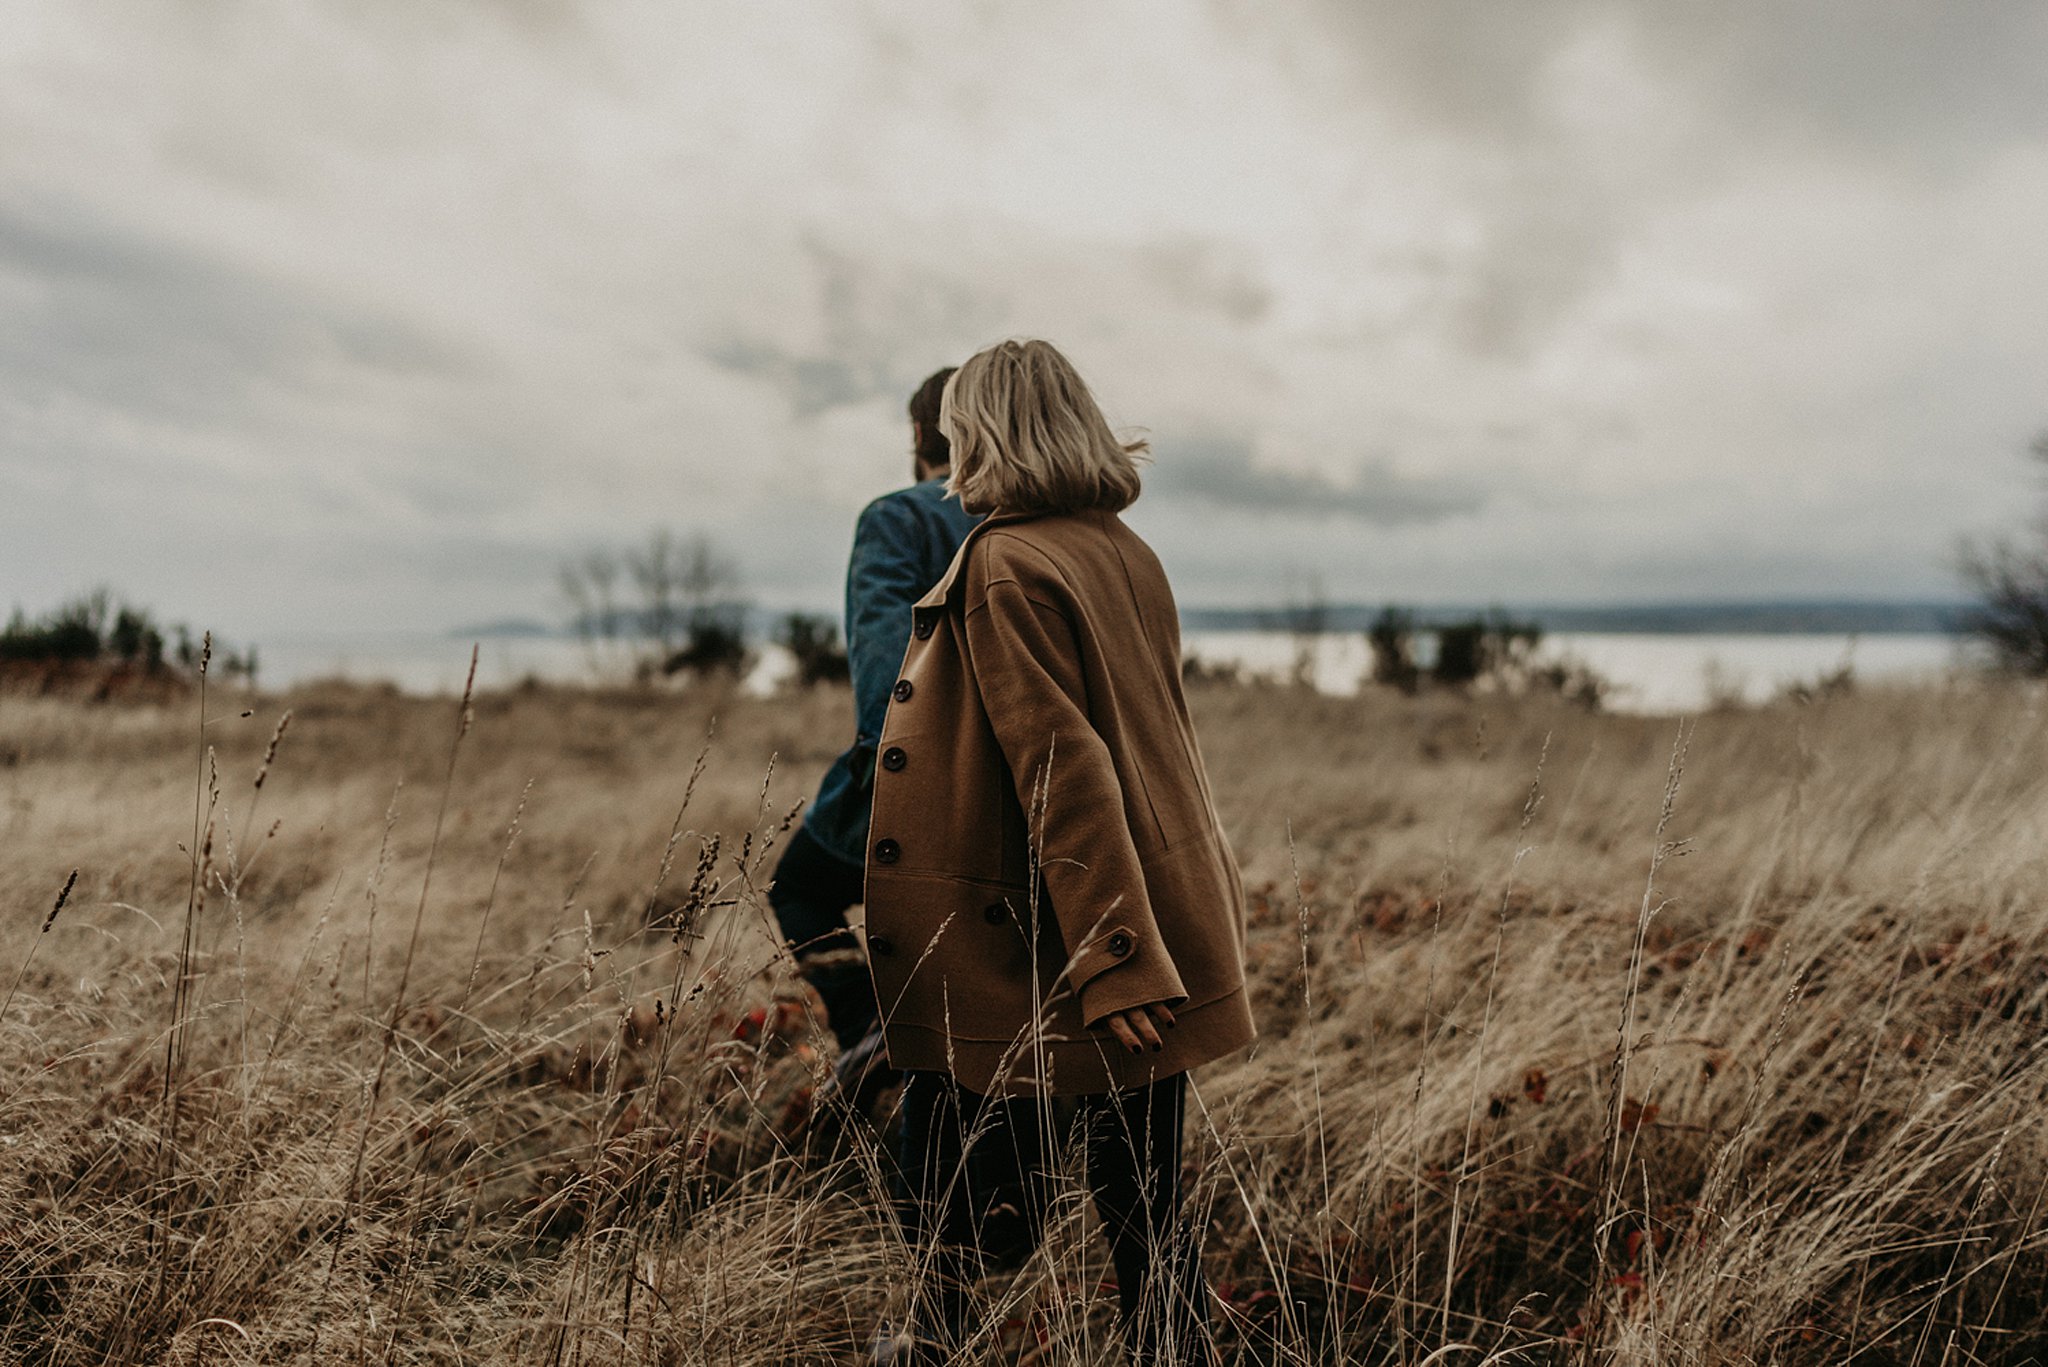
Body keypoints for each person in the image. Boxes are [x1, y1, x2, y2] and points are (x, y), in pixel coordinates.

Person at [862, 340, 1256, 1364]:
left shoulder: (1003, 560)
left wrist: (1112, 958)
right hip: (1146, 904)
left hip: (1041, 933)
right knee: (1145, 1198)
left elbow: (1060, 767)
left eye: (954, 428)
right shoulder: (1120, 545)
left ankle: (931, 1348)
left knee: (947, 1182)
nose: (945, 449)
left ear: (980, 431)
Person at [769, 369, 980, 1059]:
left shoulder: (901, 517)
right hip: (1028, 792)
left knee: (797, 885)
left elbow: (889, 691)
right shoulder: (1037, 522)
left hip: (919, 786)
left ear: (921, 435)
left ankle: (868, 1029)